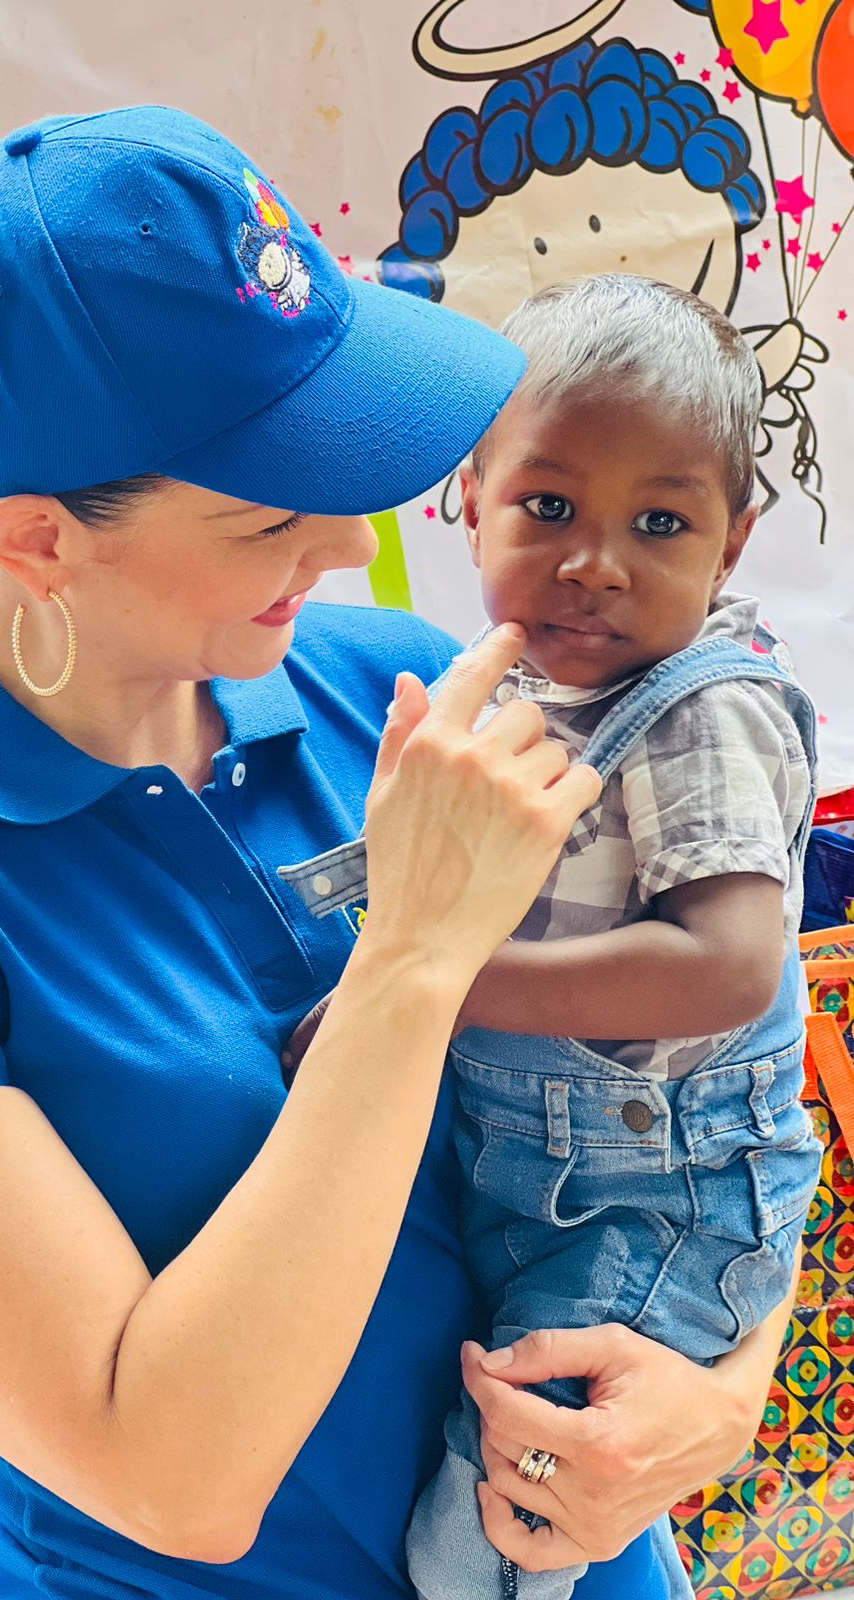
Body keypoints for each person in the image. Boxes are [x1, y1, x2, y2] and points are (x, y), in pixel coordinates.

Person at [0, 110, 795, 1600]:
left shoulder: (400, 686)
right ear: (34, 541)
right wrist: (412, 960)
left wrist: (718, 1400)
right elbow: (175, 1479)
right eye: (271, 512)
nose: (346, 543)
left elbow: (707, 1082)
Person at [279, 276, 819, 1600]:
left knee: (498, 1520)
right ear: (470, 499)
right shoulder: (507, 688)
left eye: (659, 522)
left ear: (732, 546)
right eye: (550, 507)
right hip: (538, 1178)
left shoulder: (701, 710)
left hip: (656, 1201)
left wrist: (435, 984)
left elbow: (727, 967)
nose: (597, 563)